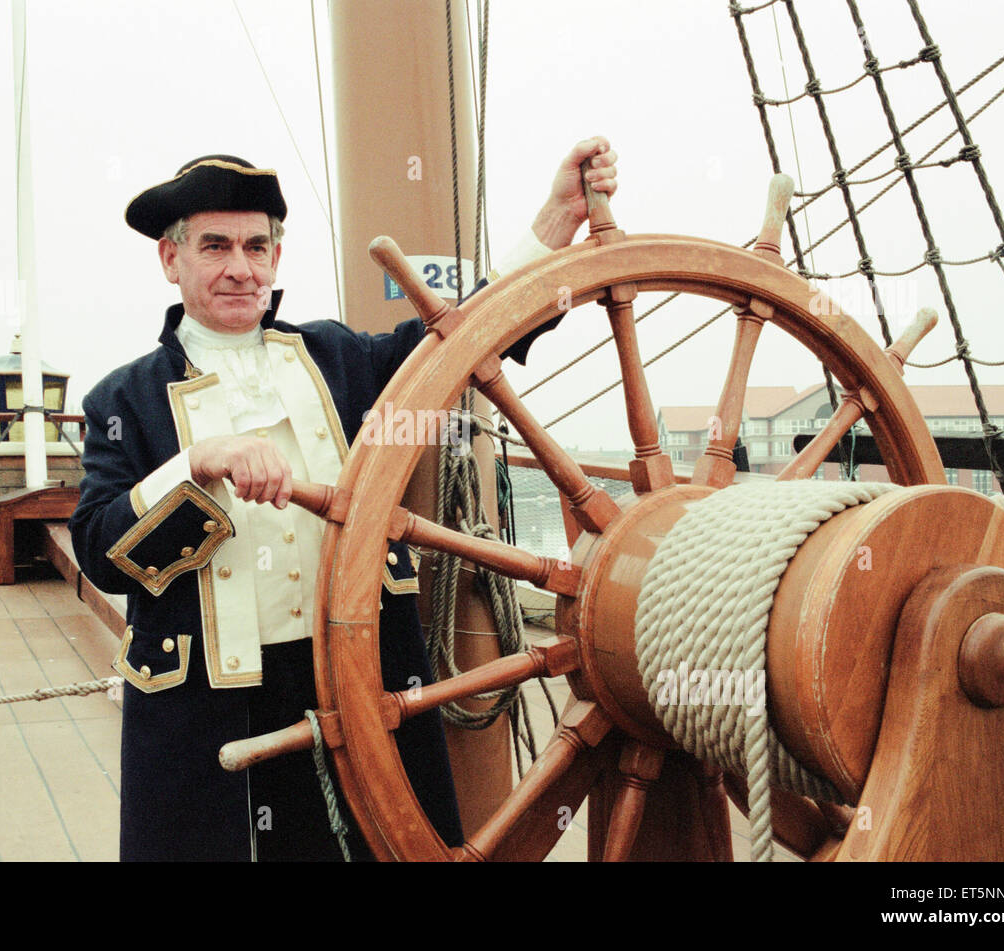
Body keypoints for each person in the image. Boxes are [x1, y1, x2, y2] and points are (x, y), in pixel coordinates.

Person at [70, 138, 619, 861]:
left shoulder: (337, 358)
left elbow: (460, 336)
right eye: (215, 246)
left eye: (257, 246)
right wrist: (195, 466)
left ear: (275, 257)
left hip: (359, 676)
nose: (241, 267)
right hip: (209, 706)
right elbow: (99, 549)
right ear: (172, 260)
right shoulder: (124, 399)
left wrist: (554, 222)